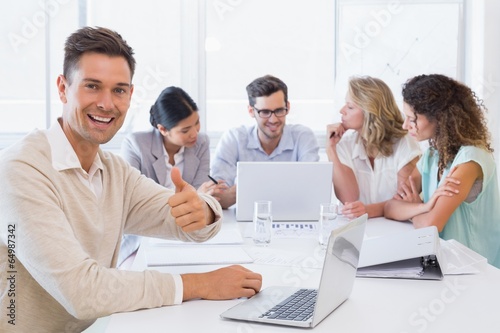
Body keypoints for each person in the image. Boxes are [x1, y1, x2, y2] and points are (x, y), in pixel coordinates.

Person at [0, 27, 262, 332]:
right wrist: (200, 284)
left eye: (119, 90)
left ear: (130, 95)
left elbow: (179, 220)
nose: (107, 103)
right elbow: (82, 292)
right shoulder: (20, 169)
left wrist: (202, 211)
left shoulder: (112, 171)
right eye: (92, 86)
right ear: (62, 88)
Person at [384, 74, 500, 268]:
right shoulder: (432, 156)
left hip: (476, 270)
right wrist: (423, 207)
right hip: (444, 263)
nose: (405, 126)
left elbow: (431, 225)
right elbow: (391, 207)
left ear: (439, 118)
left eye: (412, 119)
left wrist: (414, 210)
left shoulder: (470, 160)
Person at [118, 86, 227, 264]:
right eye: (185, 130)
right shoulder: (135, 144)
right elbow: (132, 201)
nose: (195, 133)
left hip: (187, 235)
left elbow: (200, 194)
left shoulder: (201, 143)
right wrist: (194, 198)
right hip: (143, 238)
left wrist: (201, 199)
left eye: (196, 123)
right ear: (162, 129)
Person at [211, 74, 320, 209]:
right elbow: (216, 198)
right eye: (265, 112)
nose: (273, 119)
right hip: (244, 221)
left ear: (288, 107)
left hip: (292, 218)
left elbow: (312, 191)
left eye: (279, 110)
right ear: (251, 111)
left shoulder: (303, 137)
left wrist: (250, 188)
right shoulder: (234, 138)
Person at [326, 76, 421, 218]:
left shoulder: (405, 143)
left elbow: (405, 202)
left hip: (396, 228)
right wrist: (330, 150)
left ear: (370, 112)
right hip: (360, 229)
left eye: (350, 107)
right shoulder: (344, 145)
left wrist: (368, 210)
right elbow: (349, 200)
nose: (342, 110)